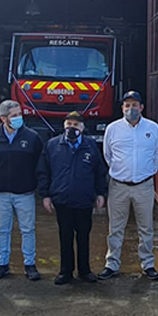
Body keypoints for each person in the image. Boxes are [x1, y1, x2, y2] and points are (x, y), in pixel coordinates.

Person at [98, 91, 158, 281]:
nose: (130, 109)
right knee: (115, 228)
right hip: (118, 186)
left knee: (146, 228)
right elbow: (108, 155)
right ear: (122, 108)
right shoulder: (113, 129)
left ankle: (148, 264)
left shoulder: (153, 129)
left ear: (141, 107)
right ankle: (112, 264)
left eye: (134, 105)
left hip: (143, 186)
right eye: (127, 105)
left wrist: (146, 174)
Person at [37, 111, 108, 285]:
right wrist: (45, 195)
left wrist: (101, 193)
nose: (72, 128)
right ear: (64, 126)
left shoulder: (91, 146)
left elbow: (100, 172)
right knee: (65, 236)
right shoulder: (52, 145)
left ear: (82, 128)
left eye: (76, 125)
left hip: (84, 200)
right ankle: (65, 271)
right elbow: (43, 172)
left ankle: (85, 271)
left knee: (83, 236)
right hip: (62, 199)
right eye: (69, 125)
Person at [0, 100, 44, 282]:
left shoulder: (32, 137)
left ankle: (30, 264)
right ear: (3, 118)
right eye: (14, 115)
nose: (19, 118)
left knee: (28, 230)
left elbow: (38, 161)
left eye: (19, 114)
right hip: (1, 194)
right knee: (3, 230)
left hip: (24, 193)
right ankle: (2, 264)